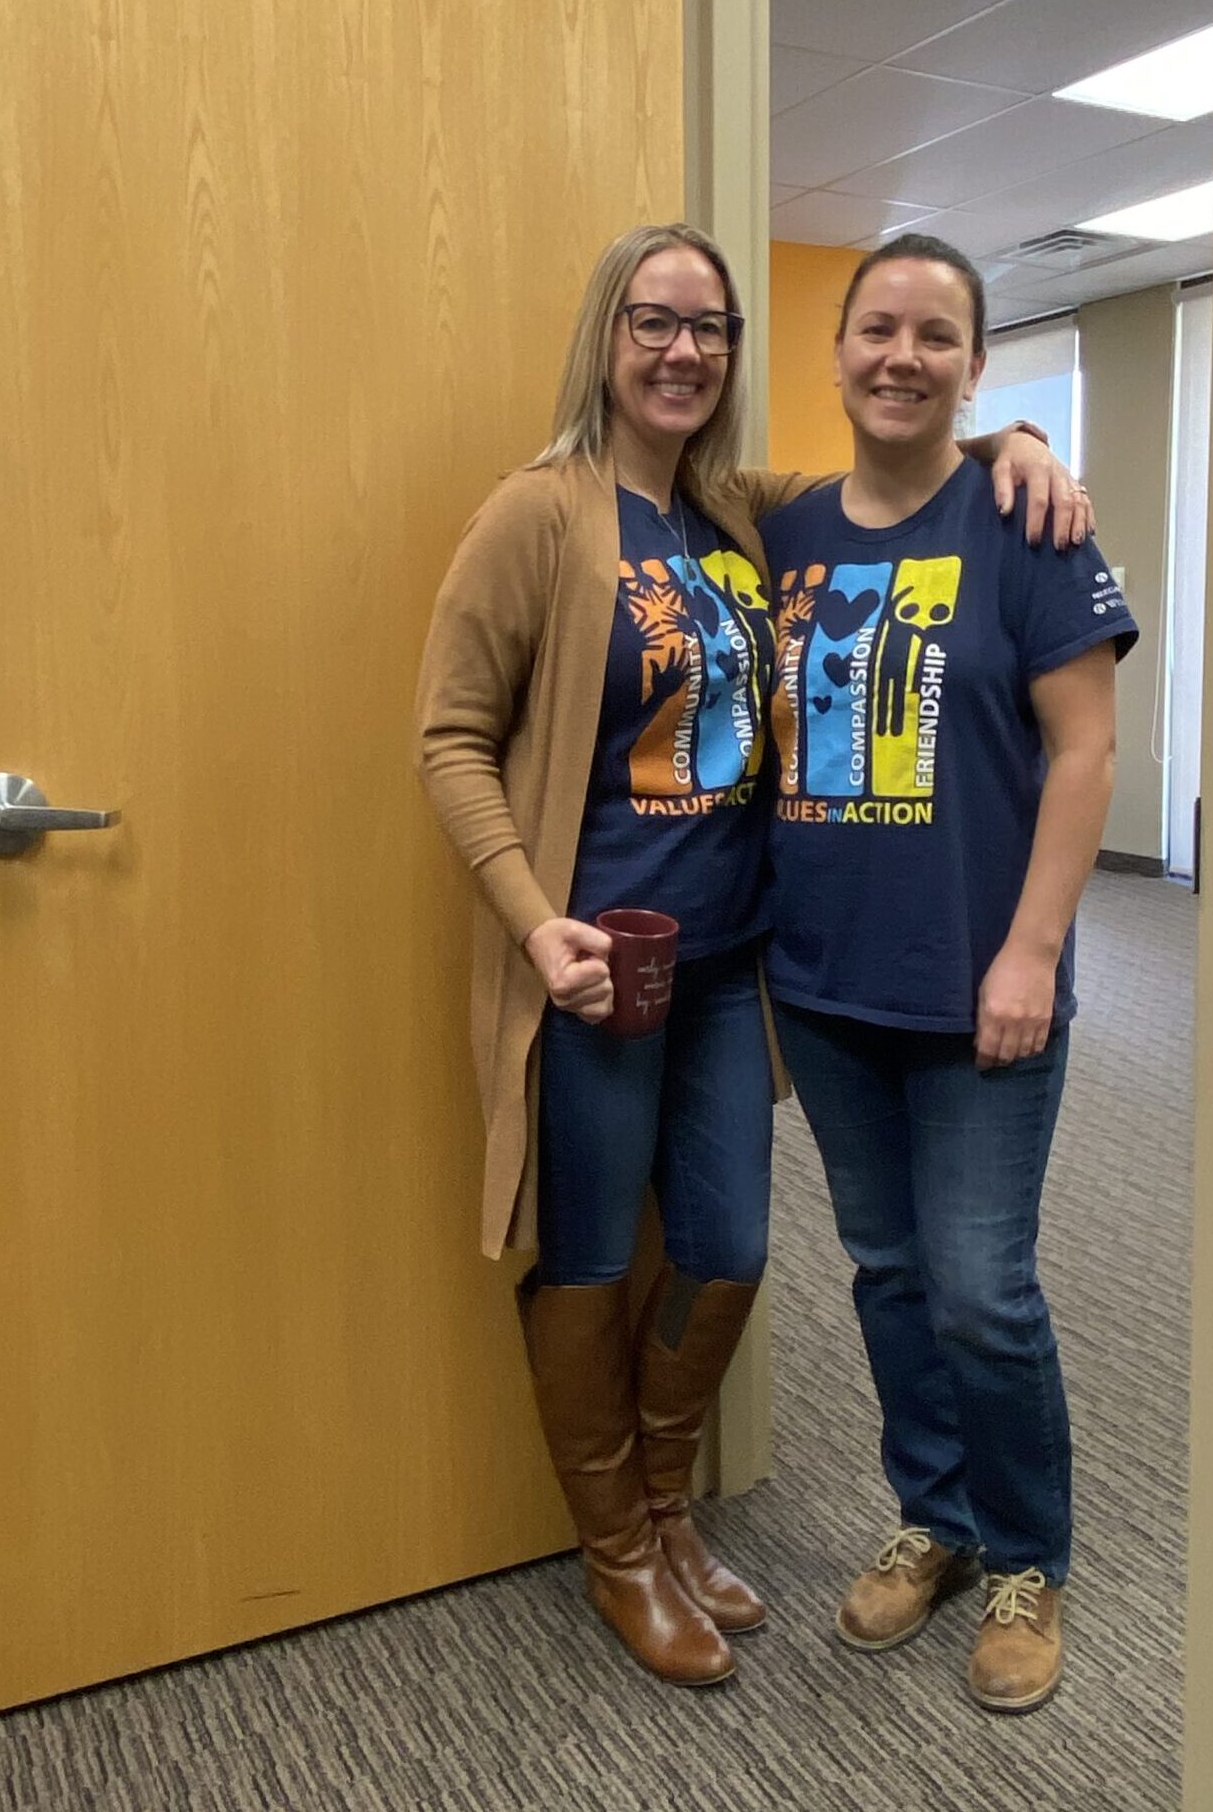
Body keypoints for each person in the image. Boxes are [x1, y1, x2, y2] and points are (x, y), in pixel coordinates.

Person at [414, 223, 1087, 1688]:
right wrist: (538, 924)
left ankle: (665, 1507)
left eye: (711, 327)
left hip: (729, 973)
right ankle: (618, 1551)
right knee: (591, 1255)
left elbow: (908, 478)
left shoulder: (740, 513)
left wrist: (1022, 437)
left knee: (725, 1250)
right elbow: (450, 737)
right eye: (654, 322)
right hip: (593, 970)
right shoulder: (540, 513)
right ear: (607, 335)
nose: (683, 351)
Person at [762, 231, 1138, 1714]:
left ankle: (1029, 1556)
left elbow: (1087, 748)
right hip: (827, 979)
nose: (899, 356)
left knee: (983, 1288)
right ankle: (936, 1517)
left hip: (986, 981)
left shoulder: (1025, 523)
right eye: (875, 329)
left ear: (975, 367)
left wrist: (1033, 950)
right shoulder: (787, 531)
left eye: (935, 336)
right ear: (837, 350)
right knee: (888, 1277)